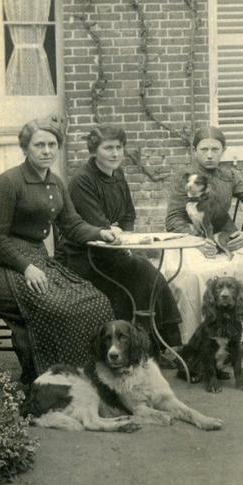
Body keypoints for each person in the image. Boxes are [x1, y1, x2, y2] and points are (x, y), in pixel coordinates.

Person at [0, 115, 117, 384]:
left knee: (95, 300)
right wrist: (27, 268)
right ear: (25, 148)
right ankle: (46, 379)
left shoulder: (56, 183)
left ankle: (82, 376)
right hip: (1, 268)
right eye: (39, 145)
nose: (47, 151)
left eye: (52, 144)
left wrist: (101, 232)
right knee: (59, 308)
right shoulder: (8, 183)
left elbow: (72, 224)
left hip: (37, 262)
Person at [58, 124, 182, 352]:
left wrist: (123, 235)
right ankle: (148, 348)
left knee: (152, 277)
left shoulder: (118, 175)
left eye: (119, 148)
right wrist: (113, 232)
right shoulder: (82, 181)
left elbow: (128, 214)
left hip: (113, 251)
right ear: (94, 151)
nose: (115, 153)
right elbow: (96, 223)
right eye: (108, 148)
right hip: (85, 257)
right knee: (143, 276)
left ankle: (165, 345)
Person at [164, 126, 243, 345]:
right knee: (193, 274)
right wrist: (196, 241)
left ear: (223, 150)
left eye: (215, 149)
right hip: (189, 240)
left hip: (224, 238)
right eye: (204, 149)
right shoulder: (185, 178)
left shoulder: (231, 176)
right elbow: (173, 219)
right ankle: (194, 341)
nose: (209, 154)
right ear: (194, 150)